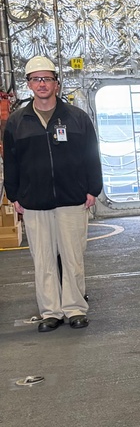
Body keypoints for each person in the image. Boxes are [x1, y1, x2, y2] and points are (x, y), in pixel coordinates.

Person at [2, 56, 103, 332]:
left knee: (72, 257)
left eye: (47, 79)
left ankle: (74, 308)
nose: (42, 84)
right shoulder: (16, 122)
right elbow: (10, 162)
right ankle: (51, 312)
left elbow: (91, 155)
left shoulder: (76, 118)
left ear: (56, 84)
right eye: (36, 79)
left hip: (72, 198)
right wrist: (14, 194)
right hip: (34, 201)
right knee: (43, 259)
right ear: (29, 85)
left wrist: (93, 188)